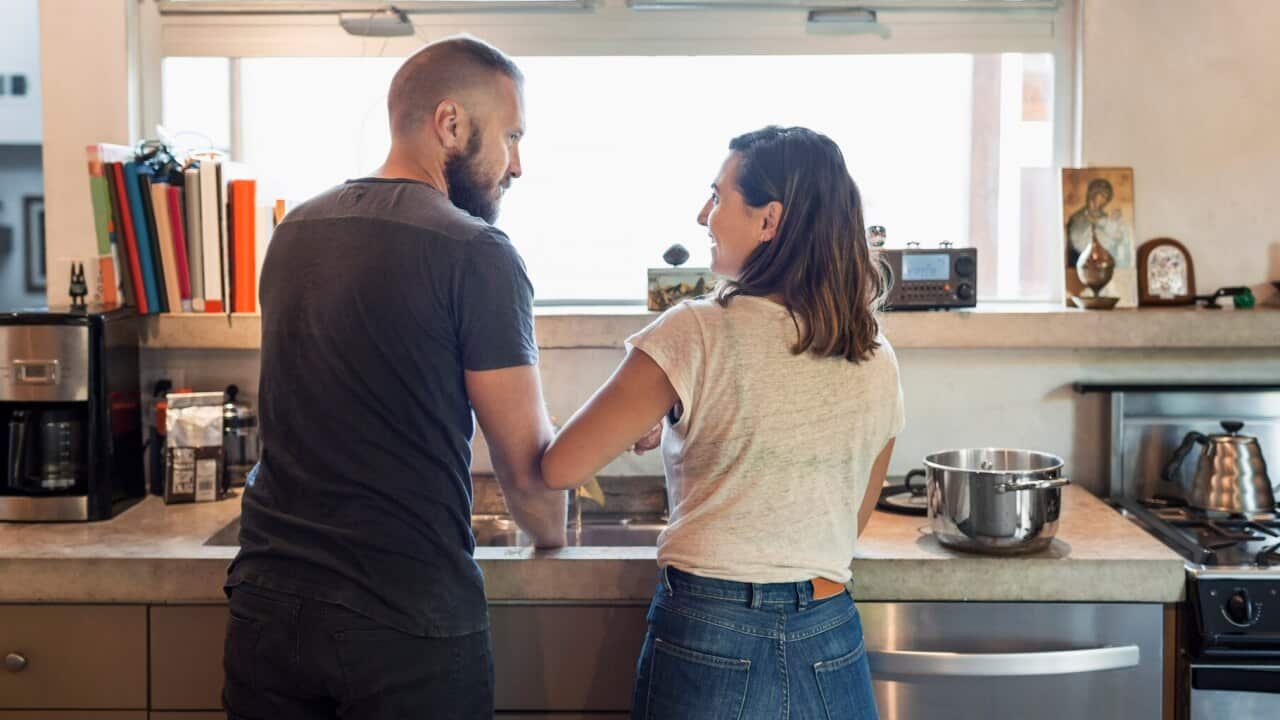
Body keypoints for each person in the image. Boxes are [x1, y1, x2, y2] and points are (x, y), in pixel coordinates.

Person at [222, 35, 566, 720]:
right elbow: (525, 468)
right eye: (512, 136)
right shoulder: (478, 252)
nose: (518, 165)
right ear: (451, 124)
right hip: (403, 618)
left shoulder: (295, 233)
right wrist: (553, 538)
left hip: (268, 606)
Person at [541, 126, 904, 719]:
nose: (703, 213)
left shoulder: (694, 331)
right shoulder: (873, 354)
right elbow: (848, 515)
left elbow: (561, 466)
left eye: (718, 195)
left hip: (712, 632)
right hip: (829, 632)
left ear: (770, 221)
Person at [1066, 177, 1132, 268]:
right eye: (1102, 196)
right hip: (1082, 265)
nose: (1104, 201)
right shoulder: (1078, 218)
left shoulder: (1105, 218)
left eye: (1107, 198)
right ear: (1093, 194)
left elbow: (1115, 241)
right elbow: (1075, 245)